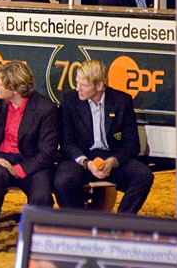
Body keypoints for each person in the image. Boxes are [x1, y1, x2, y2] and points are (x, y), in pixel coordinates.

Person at [0, 61, 58, 252]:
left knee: (41, 194)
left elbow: (47, 153)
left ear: (15, 89)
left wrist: (16, 170)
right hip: (1, 157)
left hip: (32, 162)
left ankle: (38, 243)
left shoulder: (45, 109)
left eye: (0, 83)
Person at [54, 60, 153, 214]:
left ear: (99, 85)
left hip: (112, 158)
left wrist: (113, 161)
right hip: (82, 158)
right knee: (63, 180)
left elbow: (132, 144)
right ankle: (78, 221)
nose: (78, 88)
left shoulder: (122, 101)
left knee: (144, 176)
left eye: (84, 85)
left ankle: (122, 222)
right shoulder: (69, 100)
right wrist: (86, 163)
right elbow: (66, 143)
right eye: (77, 83)